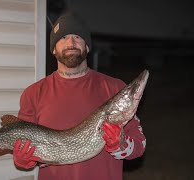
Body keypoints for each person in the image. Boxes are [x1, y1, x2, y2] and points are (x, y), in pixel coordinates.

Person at [12, 11, 146, 180]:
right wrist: (24, 161)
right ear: (53, 49)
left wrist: (121, 144)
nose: (71, 43)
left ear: (87, 46)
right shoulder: (33, 93)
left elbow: (140, 146)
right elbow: (27, 152)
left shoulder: (114, 87)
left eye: (77, 36)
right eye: (63, 38)